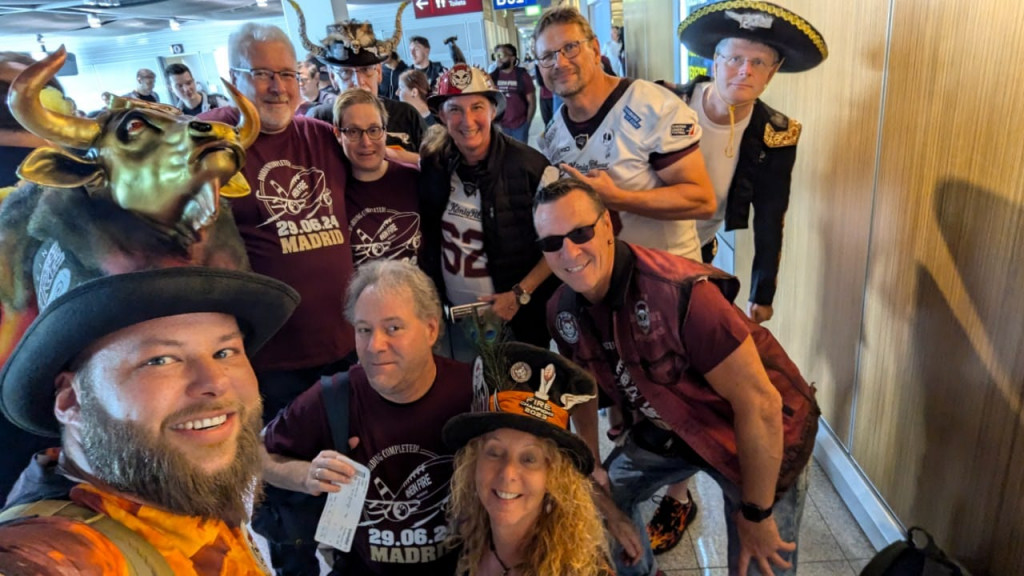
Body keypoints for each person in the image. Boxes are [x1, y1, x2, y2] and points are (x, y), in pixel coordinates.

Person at [533, 178, 820, 576]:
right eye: (552, 242)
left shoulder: (679, 294)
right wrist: (592, 464)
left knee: (760, 560)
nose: (569, 252)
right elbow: (580, 387)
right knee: (597, 503)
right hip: (675, 428)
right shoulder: (561, 310)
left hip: (755, 434)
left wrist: (756, 514)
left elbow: (761, 405)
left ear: (607, 226)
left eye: (581, 233)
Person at [0, 265, 299, 573]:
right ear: (73, 401)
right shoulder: (57, 551)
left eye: (224, 352)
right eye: (160, 360)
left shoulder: (174, 484)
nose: (215, 382)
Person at [199, 23, 357, 573]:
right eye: (262, 74)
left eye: (288, 74)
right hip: (270, 361)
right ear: (234, 77)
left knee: (350, 477)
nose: (278, 87)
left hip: (343, 349)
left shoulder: (321, 136)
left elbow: (381, 163)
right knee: (287, 498)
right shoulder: (212, 141)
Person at [262, 260, 472, 575]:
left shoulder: (472, 390)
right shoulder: (335, 396)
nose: (375, 346)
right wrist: (305, 476)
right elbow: (256, 454)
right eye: (364, 330)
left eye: (393, 328)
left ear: (431, 329)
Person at [669, 0, 828, 324]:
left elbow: (770, 217)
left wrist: (762, 293)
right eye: (735, 59)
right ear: (715, 61)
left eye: (758, 62)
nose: (746, 71)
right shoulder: (669, 105)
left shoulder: (775, 134)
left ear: (772, 72)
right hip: (637, 244)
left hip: (696, 252)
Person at [533, 6, 715, 261]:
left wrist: (619, 198)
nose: (559, 63)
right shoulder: (552, 136)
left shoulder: (651, 105)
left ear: (595, 49)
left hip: (667, 274)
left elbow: (702, 201)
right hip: (605, 279)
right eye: (547, 56)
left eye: (570, 48)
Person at [419, 63, 559, 362]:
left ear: (493, 110)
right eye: (455, 110)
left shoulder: (532, 168)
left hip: (517, 317)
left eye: (477, 107)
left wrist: (520, 293)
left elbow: (560, 243)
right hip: (455, 319)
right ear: (441, 116)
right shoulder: (435, 163)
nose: (467, 120)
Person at [443, 342, 612, 576]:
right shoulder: (461, 546)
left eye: (529, 458)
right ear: (474, 462)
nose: (508, 473)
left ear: (554, 475)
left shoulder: (583, 570)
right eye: (494, 452)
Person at [294, 2, 425, 163]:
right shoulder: (318, 121)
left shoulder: (405, 115)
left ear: (378, 72)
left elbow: (434, 164)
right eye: (345, 73)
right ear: (333, 77)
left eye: (366, 70)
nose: (358, 82)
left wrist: (399, 157)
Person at [333, 89, 422, 267]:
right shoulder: (332, 192)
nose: (366, 142)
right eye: (353, 131)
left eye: (374, 130)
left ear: (385, 131)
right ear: (338, 134)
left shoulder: (415, 181)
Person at [489, 44, 536, 144]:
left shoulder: (523, 76)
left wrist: (527, 123)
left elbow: (532, 102)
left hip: (520, 126)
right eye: (496, 56)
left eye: (501, 55)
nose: (498, 59)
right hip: (500, 127)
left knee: (520, 153)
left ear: (512, 58)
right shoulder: (492, 78)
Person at [165, 62, 229, 116]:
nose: (186, 89)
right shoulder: (176, 117)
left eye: (189, 83)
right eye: (180, 86)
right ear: (171, 89)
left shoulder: (218, 102)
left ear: (194, 81)